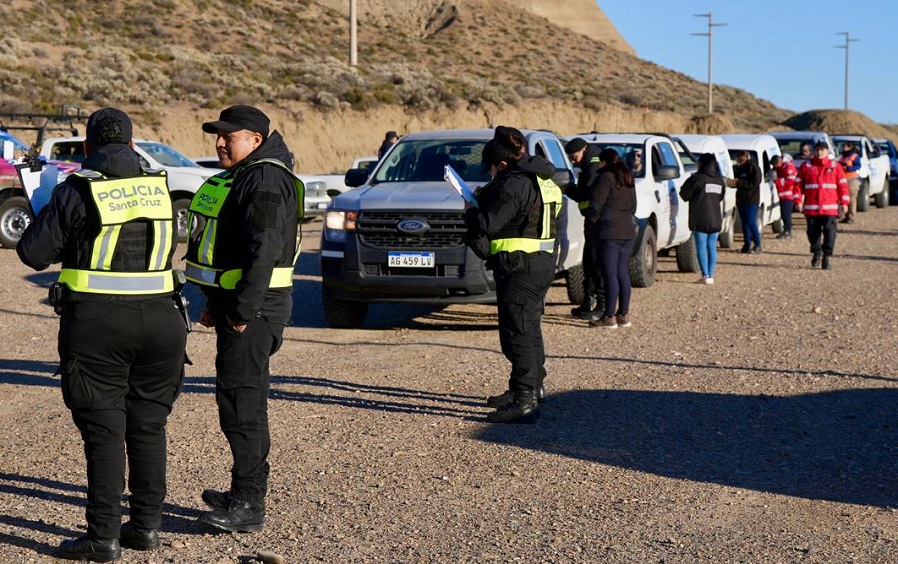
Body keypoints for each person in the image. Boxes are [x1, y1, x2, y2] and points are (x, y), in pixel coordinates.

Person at [16, 108, 188, 562]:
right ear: (132, 145)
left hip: (98, 324)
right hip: (164, 321)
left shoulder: (77, 189)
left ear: (89, 148)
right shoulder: (160, 186)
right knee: (149, 426)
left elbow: (33, 255)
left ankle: (103, 538)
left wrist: (47, 207)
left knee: (104, 431)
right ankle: (147, 528)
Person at [185, 105, 303, 532]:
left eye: (227, 136)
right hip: (243, 305)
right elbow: (234, 249)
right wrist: (218, 303)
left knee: (243, 404)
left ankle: (249, 504)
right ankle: (243, 491)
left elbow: (264, 252)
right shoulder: (249, 174)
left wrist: (241, 311)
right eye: (217, 135)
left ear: (254, 139)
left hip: (257, 308)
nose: (219, 142)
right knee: (237, 400)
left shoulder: (265, 178)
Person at [463, 126, 561, 423]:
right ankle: (530, 386)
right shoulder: (545, 180)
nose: (491, 173)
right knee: (529, 328)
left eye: (492, 169)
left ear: (503, 164)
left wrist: (470, 209)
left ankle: (524, 401)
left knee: (516, 333)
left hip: (519, 266)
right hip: (540, 262)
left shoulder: (513, 184)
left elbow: (490, 224)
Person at [587, 149, 637, 328]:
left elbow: (596, 204)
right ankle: (623, 314)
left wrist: (591, 221)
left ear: (604, 162)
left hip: (609, 233)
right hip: (627, 231)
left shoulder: (606, 177)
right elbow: (634, 206)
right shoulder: (627, 177)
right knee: (622, 273)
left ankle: (608, 316)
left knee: (609, 275)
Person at [564, 137, 604, 320]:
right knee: (589, 262)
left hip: (597, 222)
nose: (573, 161)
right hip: (592, 221)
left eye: (574, 157)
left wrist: (569, 190)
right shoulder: (590, 162)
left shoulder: (592, 166)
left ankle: (600, 305)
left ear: (584, 149)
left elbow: (586, 193)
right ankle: (588, 303)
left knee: (596, 264)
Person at [797, 141, 849, 269]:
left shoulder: (835, 166)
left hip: (830, 209)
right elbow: (798, 185)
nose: (820, 153)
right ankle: (816, 252)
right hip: (812, 208)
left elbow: (842, 185)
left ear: (827, 152)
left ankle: (827, 257)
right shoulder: (806, 166)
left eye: (823, 150)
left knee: (830, 233)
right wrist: (798, 200)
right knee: (812, 233)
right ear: (814, 151)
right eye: (818, 150)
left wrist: (845, 202)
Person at [679, 153, 726, 284]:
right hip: (716, 217)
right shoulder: (719, 180)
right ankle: (710, 275)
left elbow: (684, 195)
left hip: (700, 217)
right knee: (712, 246)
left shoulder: (697, 178)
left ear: (701, 164)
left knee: (700, 246)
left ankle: (705, 275)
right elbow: (720, 197)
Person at [727, 151, 763, 253]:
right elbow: (737, 181)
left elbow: (756, 182)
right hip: (741, 199)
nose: (739, 162)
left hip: (751, 199)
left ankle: (757, 244)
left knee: (751, 221)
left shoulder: (753, 167)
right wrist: (731, 182)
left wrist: (740, 182)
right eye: (738, 160)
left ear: (747, 157)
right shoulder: (740, 168)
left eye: (741, 160)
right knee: (744, 223)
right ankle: (747, 245)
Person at [773, 154, 799, 239]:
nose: (774, 167)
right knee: (784, 214)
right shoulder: (780, 168)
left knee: (786, 214)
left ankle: (788, 231)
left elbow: (791, 180)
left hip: (788, 196)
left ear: (780, 162)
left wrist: (777, 181)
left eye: (775, 165)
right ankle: (786, 230)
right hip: (782, 195)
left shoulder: (789, 167)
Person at [838, 140, 861, 224]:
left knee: (851, 198)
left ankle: (851, 217)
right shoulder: (843, 157)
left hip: (852, 179)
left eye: (846, 146)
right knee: (842, 198)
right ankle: (844, 215)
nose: (844, 148)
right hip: (842, 179)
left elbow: (858, 166)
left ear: (850, 147)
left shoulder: (855, 156)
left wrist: (848, 168)